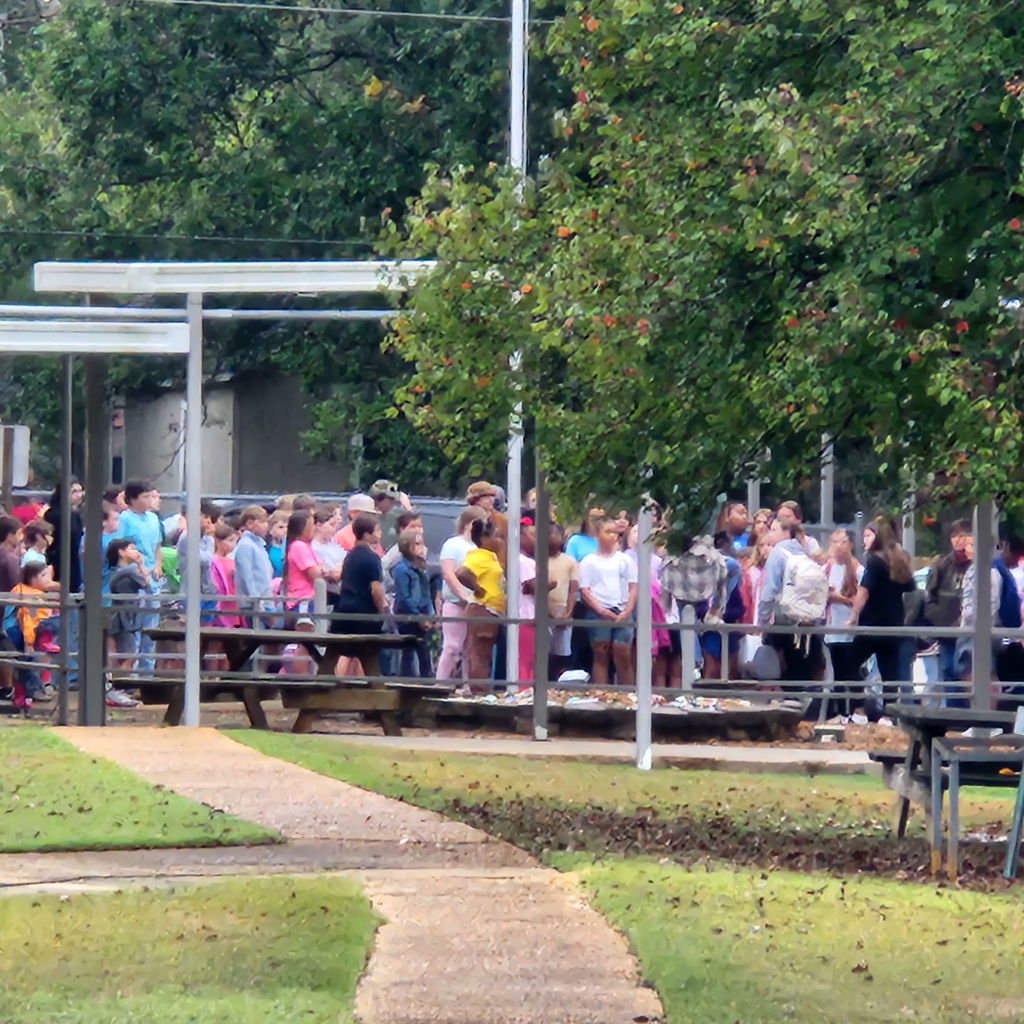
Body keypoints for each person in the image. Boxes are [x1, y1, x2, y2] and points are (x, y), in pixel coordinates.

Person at [848, 517, 915, 719]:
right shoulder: (900, 561)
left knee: (850, 663)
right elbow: (911, 590)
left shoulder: (875, 561)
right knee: (890, 673)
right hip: (893, 625)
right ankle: (889, 715)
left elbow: (864, 591)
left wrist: (853, 617)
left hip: (872, 625)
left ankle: (858, 708)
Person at [757, 518, 827, 689]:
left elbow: (770, 590)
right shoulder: (802, 552)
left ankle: (785, 708)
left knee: (777, 669)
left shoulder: (778, 553)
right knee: (799, 668)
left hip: (783, 618)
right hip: (804, 620)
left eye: (774, 530)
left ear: (786, 533)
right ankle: (800, 707)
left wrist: (763, 619)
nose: (770, 534)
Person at [579, 517, 638, 688]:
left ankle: (627, 693)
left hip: (622, 608)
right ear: (598, 535)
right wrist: (601, 610)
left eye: (615, 532)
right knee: (600, 651)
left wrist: (627, 611)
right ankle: (601, 693)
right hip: (598, 610)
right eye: (608, 532)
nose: (613, 536)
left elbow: (633, 587)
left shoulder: (624, 560)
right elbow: (585, 590)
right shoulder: (588, 561)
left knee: (622, 651)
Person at [116, 482, 164, 672]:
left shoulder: (153, 518)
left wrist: (158, 564)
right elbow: (120, 547)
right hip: (134, 578)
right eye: (144, 497)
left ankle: (148, 673)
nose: (149, 501)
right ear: (133, 499)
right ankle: (132, 675)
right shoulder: (125, 519)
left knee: (151, 629)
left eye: (150, 496)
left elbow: (157, 545)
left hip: (152, 577)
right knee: (134, 627)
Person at [436, 507, 485, 681]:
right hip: (455, 602)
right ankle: (439, 684)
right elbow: (448, 574)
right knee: (452, 646)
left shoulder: (477, 547)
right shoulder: (453, 544)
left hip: (473, 604)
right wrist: (464, 596)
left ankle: (467, 686)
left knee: (469, 648)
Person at [923, 520, 972, 686]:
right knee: (948, 673)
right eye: (954, 536)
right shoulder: (942, 564)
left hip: (968, 632)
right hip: (946, 633)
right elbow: (930, 596)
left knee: (966, 674)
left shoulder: (976, 564)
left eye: (962, 535)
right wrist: (939, 620)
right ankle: (953, 710)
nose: (958, 540)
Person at [458, 517, 505, 682]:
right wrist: (478, 589)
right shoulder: (481, 556)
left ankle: (479, 688)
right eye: (496, 536)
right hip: (483, 608)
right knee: (480, 654)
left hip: (490, 610)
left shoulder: (491, 556)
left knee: (483, 653)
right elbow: (462, 573)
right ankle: (478, 690)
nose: (499, 540)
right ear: (484, 539)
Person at [823, 529, 864, 718]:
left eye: (842, 542)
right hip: (833, 627)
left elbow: (859, 599)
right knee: (838, 671)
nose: (838, 547)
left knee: (852, 670)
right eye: (835, 542)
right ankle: (840, 712)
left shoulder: (858, 569)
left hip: (850, 628)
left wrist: (839, 598)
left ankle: (858, 708)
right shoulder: (828, 568)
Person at [335, 514, 387, 637]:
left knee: (339, 650)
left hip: (344, 609)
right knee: (368, 652)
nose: (380, 534)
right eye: (377, 531)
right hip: (364, 612)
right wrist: (381, 610)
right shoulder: (372, 558)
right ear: (366, 535)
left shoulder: (349, 556)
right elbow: (375, 589)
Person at [106, 538, 150, 681]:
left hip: (120, 616)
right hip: (125, 618)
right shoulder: (128, 572)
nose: (136, 552)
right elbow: (147, 584)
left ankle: (120, 684)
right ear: (121, 553)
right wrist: (140, 564)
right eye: (131, 548)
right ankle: (119, 686)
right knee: (129, 654)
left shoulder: (113, 571)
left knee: (123, 653)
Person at [392, 529, 433, 678]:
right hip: (407, 615)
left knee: (424, 650)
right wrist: (418, 616)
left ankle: (426, 680)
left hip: (422, 611)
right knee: (408, 650)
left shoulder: (422, 567)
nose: (421, 547)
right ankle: (406, 681)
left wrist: (429, 614)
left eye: (421, 543)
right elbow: (404, 597)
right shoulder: (402, 568)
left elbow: (426, 593)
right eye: (416, 544)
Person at [234, 505, 276, 627]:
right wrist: (257, 604)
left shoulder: (259, 545)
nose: (266, 526)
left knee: (270, 641)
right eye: (262, 522)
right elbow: (248, 578)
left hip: (265, 601)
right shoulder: (246, 546)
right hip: (254, 605)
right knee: (258, 637)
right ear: (250, 523)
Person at [547, 524, 580, 679]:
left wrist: (568, 612)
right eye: (548, 533)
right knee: (543, 651)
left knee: (562, 652)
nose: (552, 537)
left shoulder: (570, 561)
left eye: (555, 533)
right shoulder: (537, 561)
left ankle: (559, 684)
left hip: (563, 608)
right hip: (544, 610)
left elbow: (573, 589)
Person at [43, 479, 84, 592]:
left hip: (74, 559)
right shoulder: (54, 514)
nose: (79, 495)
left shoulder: (76, 514)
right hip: (58, 560)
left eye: (80, 491)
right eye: (74, 491)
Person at [283, 510, 321, 620]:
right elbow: (315, 574)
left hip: (310, 599)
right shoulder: (299, 546)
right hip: (302, 600)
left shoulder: (306, 546)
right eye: (312, 525)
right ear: (303, 528)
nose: (314, 528)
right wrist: (323, 570)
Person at [209, 522, 242, 628]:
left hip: (233, 603)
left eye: (235, 541)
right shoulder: (213, 561)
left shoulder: (231, 560)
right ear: (218, 542)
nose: (233, 544)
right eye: (230, 540)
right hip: (221, 603)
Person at [311, 507, 345, 604]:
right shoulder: (315, 548)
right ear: (318, 525)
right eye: (331, 525)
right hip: (327, 594)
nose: (334, 529)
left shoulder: (333, 543)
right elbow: (333, 574)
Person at [266, 510, 289, 578]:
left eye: (287, 527)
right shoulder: (266, 549)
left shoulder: (292, 547)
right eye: (281, 527)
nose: (285, 530)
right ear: (270, 530)